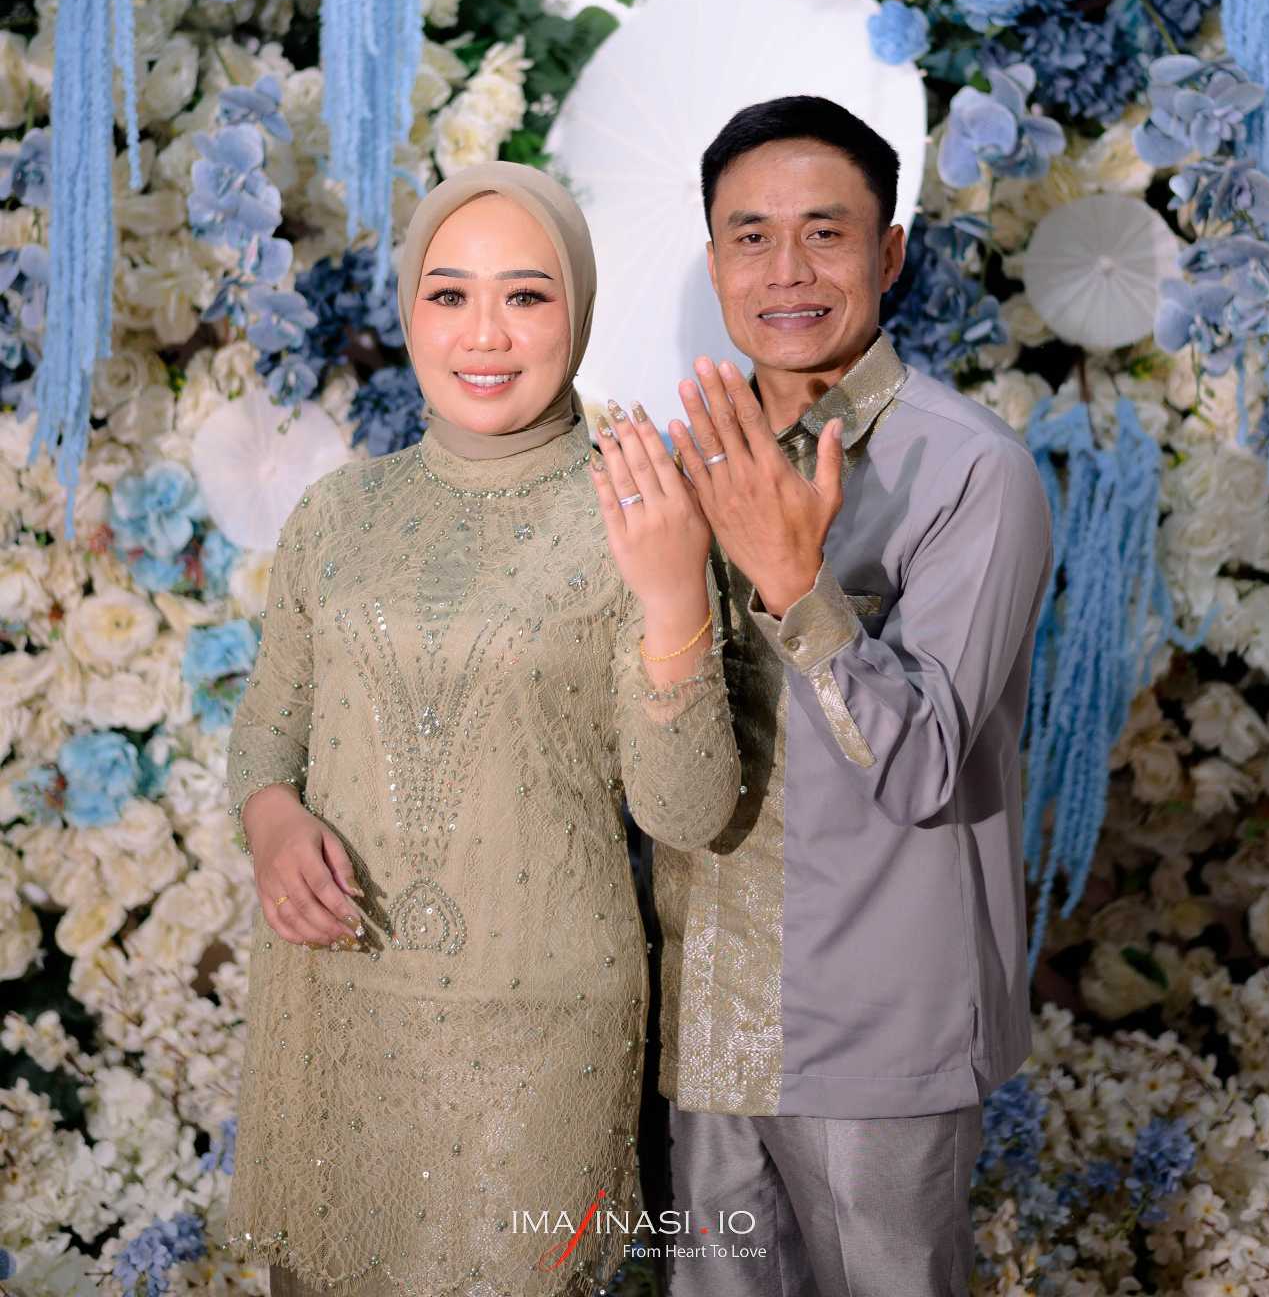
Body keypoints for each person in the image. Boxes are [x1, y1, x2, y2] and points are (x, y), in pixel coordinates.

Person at [222, 162, 742, 1297]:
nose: (485, 335)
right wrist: (270, 821)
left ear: (579, 312)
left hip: (543, 1034)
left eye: (527, 295)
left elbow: (689, 809)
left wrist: (673, 599)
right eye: (449, 294)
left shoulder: (636, 504)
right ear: (409, 311)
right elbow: (267, 731)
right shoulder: (337, 515)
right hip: (337, 1014)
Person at [651, 96, 1054, 1297]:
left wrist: (795, 581)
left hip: (875, 1031)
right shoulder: (688, 461)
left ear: (888, 253)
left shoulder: (971, 470)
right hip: (708, 1013)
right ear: (714, 260)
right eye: (751, 236)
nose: (786, 270)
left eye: (825, 234)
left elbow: (925, 762)